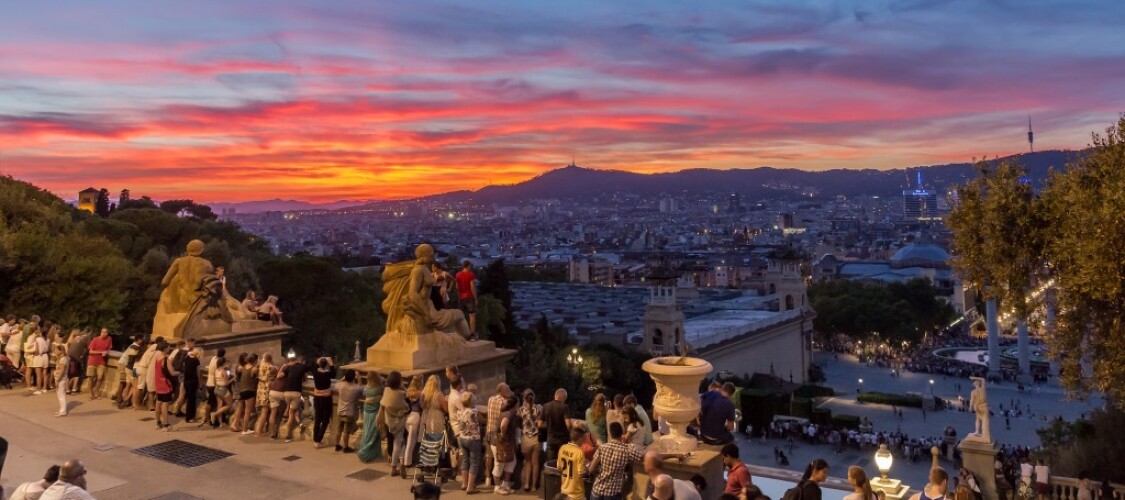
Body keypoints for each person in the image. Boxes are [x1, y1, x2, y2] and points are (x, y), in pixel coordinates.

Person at [590, 422, 647, 500]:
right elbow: (645, 457)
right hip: (613, 493)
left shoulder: (602, 448)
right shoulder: (627, 450)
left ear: (610, 433)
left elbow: (591, 469)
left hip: (597, 490)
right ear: (622, 433)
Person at [455, 391, 484, 495]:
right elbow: (482, 421)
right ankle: (470, 487)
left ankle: (464, 483)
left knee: (465, 460)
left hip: (462, 438)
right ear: (471, 401)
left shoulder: (459, 412)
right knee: (474, 463)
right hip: (473, 438)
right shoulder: (474, 412)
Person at [381, 370, 409, 476]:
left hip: (388, 421)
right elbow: (406, 407)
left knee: (399, 443)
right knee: (398, 443)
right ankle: (395, 466)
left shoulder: (386, 390)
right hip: (399, 423)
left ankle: (400, 463)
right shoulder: (401, 394)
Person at [492, 394, 521, 495]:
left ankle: (505, 485)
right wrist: (503, 435)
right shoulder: (508, 414)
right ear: (516, 405)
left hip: (504, 443)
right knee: (499, 464)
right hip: (500, 443)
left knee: (511, 462)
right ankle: (497, 487)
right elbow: (504, 425)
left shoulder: (509, 413)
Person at [278, 355, 311, 442]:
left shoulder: (289, 367)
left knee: (292, 411)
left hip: (286, 392)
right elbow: (307, 375)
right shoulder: (302, 366)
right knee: (292, 414)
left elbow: (279, 375)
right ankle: (288, 436)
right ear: (302, 361)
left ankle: (287, 410)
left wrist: (283, 366)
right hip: (296, 392)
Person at [333, 369, 364, 453]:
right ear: (354, 378)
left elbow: (336, 383)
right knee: (346, 431)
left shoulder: (341, 386)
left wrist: (344, 378)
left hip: (340, 410)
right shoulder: (355, 388)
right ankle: (346, 447)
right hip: (349, 412)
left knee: (339, 429)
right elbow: (361, 388)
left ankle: (337, 445)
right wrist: (359, 378)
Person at [519, 389, 543, 493]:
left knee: (527, 462)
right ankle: (534, 486)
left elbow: (518, 421)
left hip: (525, 439)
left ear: (524, 398)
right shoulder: (539, 408)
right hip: (537, 438)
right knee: (536, 463)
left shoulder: (521, 410)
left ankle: (526, 484)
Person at [357, 371, 385, 462]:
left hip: (366, 412)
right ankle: (364, 453)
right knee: (373, 434)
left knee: (367, 432)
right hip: (374, 413)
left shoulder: (367, 388)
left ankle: (372, 453)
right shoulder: (379, 388)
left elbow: (361, 389)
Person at [541, 388, 573, 465]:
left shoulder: (546, 406)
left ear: (555, 395)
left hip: (550, 439)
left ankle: (550, 476)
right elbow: (568, 424)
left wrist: (549, 426)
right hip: (563, 440)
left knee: (550, 462)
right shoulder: (564, 407)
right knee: (562, 462)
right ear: (564, 398)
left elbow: (540, 424)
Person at [558, 426, 589, 500]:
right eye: (584, 439)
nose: (584, 441)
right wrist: (587, 468)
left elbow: (559, 468)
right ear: (580, 438)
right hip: (576, 494)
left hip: (564, 491)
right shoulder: (579, 452)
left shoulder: (562, 448)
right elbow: (582, 473)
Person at [311, 356, 336, 446]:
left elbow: (314, 366)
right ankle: (318, 440)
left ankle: (315, 439)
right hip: (326, 398)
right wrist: (331, 363)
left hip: (317, 397)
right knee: (325, 420)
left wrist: (319, 360)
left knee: (317, 419)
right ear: (326, 366)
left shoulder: (315, 373)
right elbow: (334, 374)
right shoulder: (327, 374)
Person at [153, 341, 176, 431]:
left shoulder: (157, 357)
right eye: (168, 347)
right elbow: (172, 372)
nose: (169, 349)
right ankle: (166, 424)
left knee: (158, 403)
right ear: (165, 348)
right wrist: (180, 372)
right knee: (165, 404)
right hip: (165, 383)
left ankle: (158, 423)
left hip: (158, 382)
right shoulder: (165, 359)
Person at [403, 374, 424, 470]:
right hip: (415, 416)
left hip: (407, 416)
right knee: (411, 441)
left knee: (409, 439)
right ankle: (407, 461)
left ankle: (407, 459)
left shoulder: (408, 392)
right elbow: (422, 406)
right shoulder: (420, 393)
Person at [85, 328, 112, 399]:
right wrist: (101, 352)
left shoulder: (109, 339)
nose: (104, 334)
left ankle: (96, 392)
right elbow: (90, 351)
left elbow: (109, 349)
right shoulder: (95, 339)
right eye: (103, 332)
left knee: (100, 378)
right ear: (100, 332)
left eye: (106, 332)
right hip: (92, 361)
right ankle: (91, 393)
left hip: (101, 361)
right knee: (91, 378)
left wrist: (106, 352)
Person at [254, 353, 278, 436]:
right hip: (266, 389)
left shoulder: (260, 366)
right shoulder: (271, 367)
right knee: (265, 411)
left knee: (261, 412)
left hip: (260, 388)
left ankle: (257, 429)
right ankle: (259, 431)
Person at [235, 353, 259, 434]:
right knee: (248, 411)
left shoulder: (243, 367)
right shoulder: (254, 369)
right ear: (255, 360)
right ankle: (245, 430)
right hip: (250, 390)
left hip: (242, 390)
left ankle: (241, 427)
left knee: (245, 410)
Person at [455, 260, 478, 338]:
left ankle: (461, 333)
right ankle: (472, 334)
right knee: (472, 316)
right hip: (469, 297)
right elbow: (472, 287)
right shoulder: (471, 275)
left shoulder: (458, 275)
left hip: (461, 297)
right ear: (468, 266)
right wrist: (475, 298)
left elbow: (457, 287)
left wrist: (459, 295)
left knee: (461, 317)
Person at [210, 356, 233, 428]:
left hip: (216, 389)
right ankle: (214, 414)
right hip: (223, 389)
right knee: (229, 405)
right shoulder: (223, 371)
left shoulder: (216, 370)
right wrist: (233, 378)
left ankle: (220, 423)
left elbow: (214, 382)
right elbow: (226, 383)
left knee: (219, 406)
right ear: (223, 363)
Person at [181, 347, 202, 423]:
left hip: (186, 381)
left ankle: (189, 416)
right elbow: (198, 373)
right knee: (191, 401)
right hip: (193, 381)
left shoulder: (187, 358)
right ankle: (190, 417)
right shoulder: (196, 361)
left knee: (188, 399)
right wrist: (200, 384)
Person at [52, 344, 69, 417]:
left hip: (61, 379)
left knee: (61, 394)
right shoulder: (61, 358)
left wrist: (58, 380)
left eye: (56, 350)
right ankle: (61, 410)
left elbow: (62, 370)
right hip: (59, 378)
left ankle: (63, 411)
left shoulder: (63, 359)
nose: (55, 351)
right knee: (60, 394)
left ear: (61, 351)